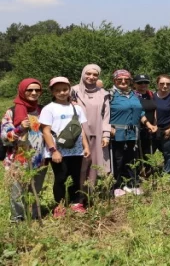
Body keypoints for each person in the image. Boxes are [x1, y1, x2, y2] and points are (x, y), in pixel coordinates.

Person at [40, 77, 91, 217]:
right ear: (52, 91)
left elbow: (81, 129)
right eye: (57, 90)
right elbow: (46, 131)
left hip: (76, 150)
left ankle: (76, 203)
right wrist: (53, 151)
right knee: (60, 178)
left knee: (75, 177)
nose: (62, 93)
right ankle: (60, 206)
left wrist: (86, 147)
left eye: (64, 89)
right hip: (58, 151)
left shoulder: (77, 108)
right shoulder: (48, 109)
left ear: (69, 90)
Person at [1, 78, 48, 222]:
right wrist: (19, 128)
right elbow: (4, 136)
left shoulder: (42, 110)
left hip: (39, 159)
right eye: (30, 90)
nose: (34, 93)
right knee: (17, 191)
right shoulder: (12, 111)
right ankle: (17, 218)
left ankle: (34, 216)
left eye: (37, 90)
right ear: (22, 90)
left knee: (35, 190)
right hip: (17, 159)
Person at [109, 70, 154, 197]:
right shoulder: (110, 95)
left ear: (130, 81)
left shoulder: (134, 95)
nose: (123, 82)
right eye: (119, 80)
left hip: (133, 134)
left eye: (126, 80)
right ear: (114, 81)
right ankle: (116, 186)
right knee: (117, 160)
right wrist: (108, 128)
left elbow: (140, 112)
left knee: (132, 159)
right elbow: (104, 113)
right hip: (116, 133)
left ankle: (131, 184)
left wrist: (148, 124)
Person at [70, 64, 111, 202]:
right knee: (80, 166)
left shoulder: (103, 93)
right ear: (83, 74)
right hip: (78, 134)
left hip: (97, 133)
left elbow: (106, 116)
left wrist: (106, 134)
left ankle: (90, 195)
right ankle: (78, 195)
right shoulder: (73, 91)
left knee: (94, 166)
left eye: (95, 75)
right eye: (88, 73)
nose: (91, 77)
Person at [153, 75, 170, 174]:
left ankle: (167, 174)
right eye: (162, 83)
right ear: (157, 84)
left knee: (168, 153)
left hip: (168, 130)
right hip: (153, 129)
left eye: (168, 84)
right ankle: (148, 173)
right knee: (149, 153)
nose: (165, 86)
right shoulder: (152, 96)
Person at [133, 74, 158, 174]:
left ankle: (148, 171)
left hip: (151, 128)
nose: (143, 84)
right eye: (140, 83)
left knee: (149, 151)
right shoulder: (132, 96)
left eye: (146, 82)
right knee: (138, 152)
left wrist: (155, 124)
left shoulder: (151, 94)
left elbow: (155, 109)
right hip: (138, 128)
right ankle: (138, 172)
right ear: (134, 84)